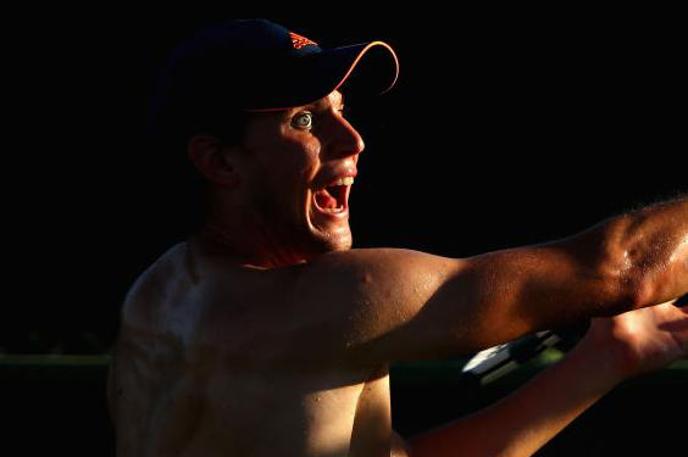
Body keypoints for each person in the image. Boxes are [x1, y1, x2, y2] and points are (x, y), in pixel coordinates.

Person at [107, 19, 688, 456]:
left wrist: (605, 360)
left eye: (341, 109)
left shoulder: (154, 299)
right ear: (219, 162)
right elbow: (625, 269)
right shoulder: (338, 300)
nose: (352, 139)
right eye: (304, 120)